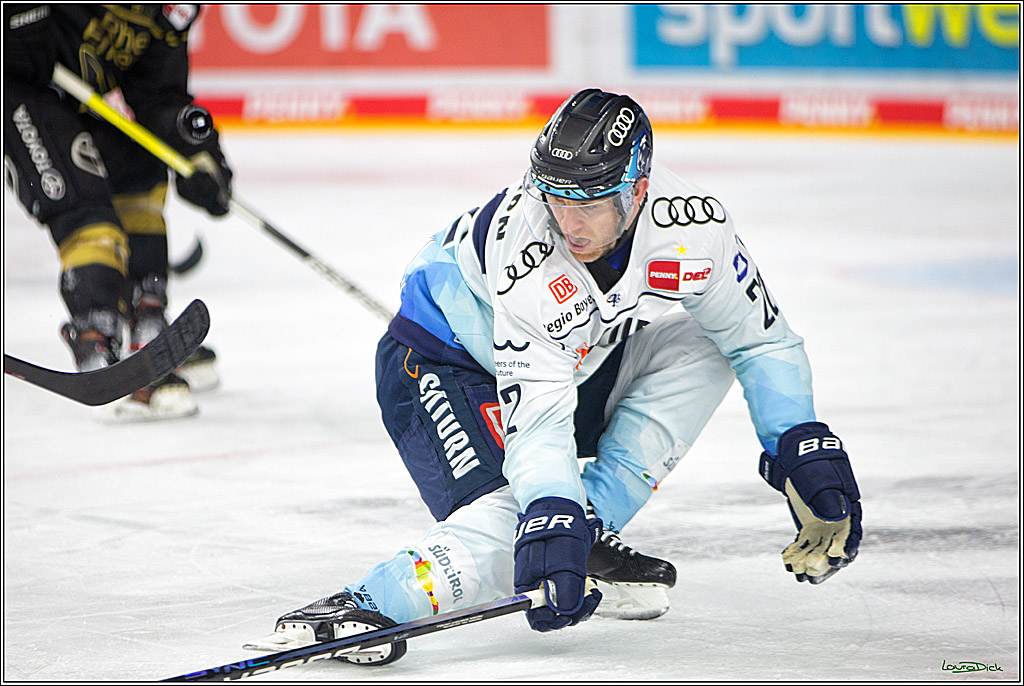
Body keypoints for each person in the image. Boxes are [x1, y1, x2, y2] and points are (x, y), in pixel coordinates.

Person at [249, 89, 863, 665]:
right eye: (558, 197)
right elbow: (537, 418)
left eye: (591, 202)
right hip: (440, 365)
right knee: (517, 521)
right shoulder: (529, 252)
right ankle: (372, 602)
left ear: (639, 189)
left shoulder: (696, 230)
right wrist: (549, 512)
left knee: (709, 337)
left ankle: (589, 524)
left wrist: (800, 442)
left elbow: (759, 338)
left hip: (580, 353)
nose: (571, 223)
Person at [3, 4, 231, 420]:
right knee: (86, 213)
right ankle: (96, 335)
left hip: (76, 98)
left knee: (142, 175)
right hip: (20, 90)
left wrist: (200, 155)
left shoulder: (173, 11)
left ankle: (148, 324)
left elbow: (160, 93)